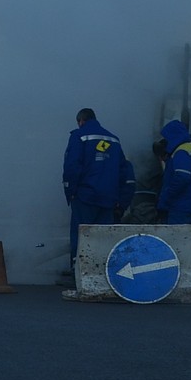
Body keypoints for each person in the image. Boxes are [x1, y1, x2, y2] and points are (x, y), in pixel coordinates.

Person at [62, 107, 133, 264]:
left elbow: (72, 166)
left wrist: (70, 191)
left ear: (81, 121)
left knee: (82, 236)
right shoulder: (114, 140)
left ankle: (78, 272)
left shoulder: (79, 136)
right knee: (103, 239)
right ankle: (100, 273)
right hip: (109, 198)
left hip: (85, 196)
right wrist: (121, 201)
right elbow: (124, 171)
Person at [156, 119, 191, 225]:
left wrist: (167, 196)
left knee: (174, 239)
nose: (164, 140)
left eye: (166, 137)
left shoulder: (181, 152)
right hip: (186, 203)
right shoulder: (189, 148)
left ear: (172, 135)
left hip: (179, 205)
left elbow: (182, 177)